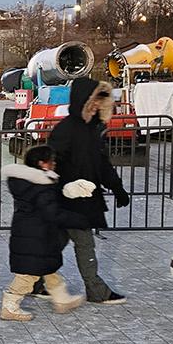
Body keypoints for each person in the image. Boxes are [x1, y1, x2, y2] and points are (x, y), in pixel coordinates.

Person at [43, 77, 130, 304]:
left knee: (55, 244)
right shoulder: (67, 130)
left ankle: (35, 281)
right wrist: (61, 188)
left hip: (84, 198)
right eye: (92, 101)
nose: (96, 105)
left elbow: (101, 164)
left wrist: (118, 188)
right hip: (69, 199)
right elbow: (48, 162)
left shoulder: (92, 130)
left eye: (100, 101)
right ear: (82, 101)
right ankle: (96, 290)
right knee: (84, 244)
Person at [0, 145, 94, 321]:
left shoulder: (30, 183)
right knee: (28, 276)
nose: (54, 163)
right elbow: (52, 212)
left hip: (33, 235)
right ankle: (10, 305)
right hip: (36, 237)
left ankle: (62, 299)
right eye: (52, 160)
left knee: (48, 269)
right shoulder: (40, 186)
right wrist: (79, 220)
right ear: (43, 164)